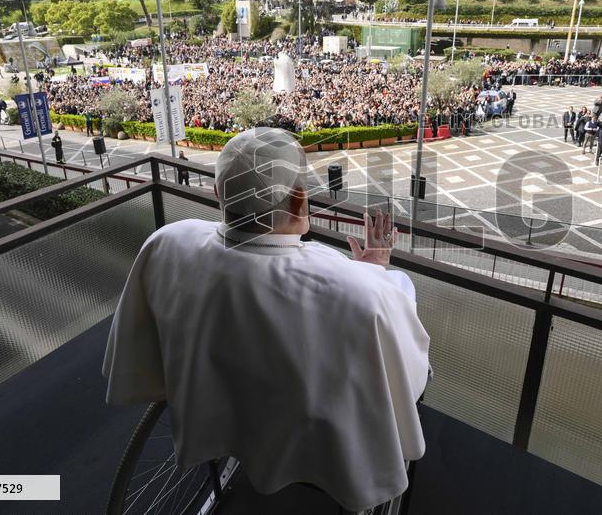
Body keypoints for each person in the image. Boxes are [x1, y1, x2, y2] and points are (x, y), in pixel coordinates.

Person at [103, 128, 430, 512]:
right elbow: (406, 372)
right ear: (299, 200)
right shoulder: (358, 290)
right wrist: (375, 269)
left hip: (212, 403)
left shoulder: (169, 241)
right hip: (314, 437)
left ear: (219, 194)